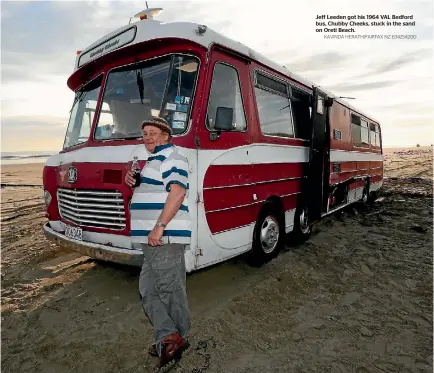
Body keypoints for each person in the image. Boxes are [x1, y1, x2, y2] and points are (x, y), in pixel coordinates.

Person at [125, 116, 191, 369]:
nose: (148, 137)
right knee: (149, 290)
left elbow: (178, 192)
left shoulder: (172, 157)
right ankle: (168, 336)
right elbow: (157, 192)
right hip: (151, 239)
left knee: (169, 289)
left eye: (153, 132)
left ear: (166, 136)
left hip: (164, 237)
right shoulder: (153, 160)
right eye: (144, 133)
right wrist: (135, 183)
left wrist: (159, 227)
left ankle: (178, 337)